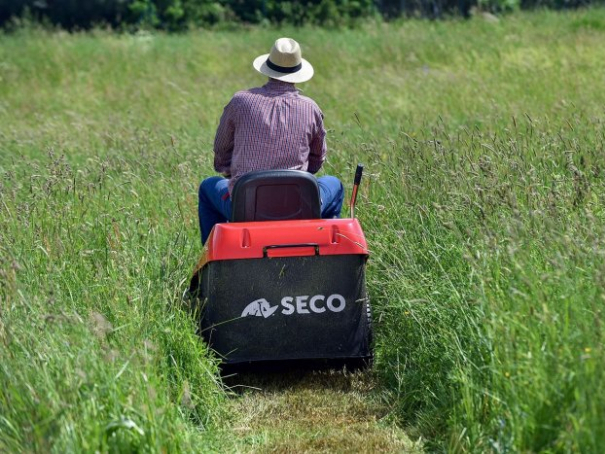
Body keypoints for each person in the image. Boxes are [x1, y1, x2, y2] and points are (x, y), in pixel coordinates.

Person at [198, 37, 344, 245]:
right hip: (299, 205)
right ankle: (321, 249)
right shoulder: (310, 107)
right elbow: (316, 161)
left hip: (244, 207)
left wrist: (230, 170)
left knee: (208, 186)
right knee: (334, 185)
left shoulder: (240, 101)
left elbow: (221, 153)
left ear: (267, 68)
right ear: (298, 72)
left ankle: (216, 256)